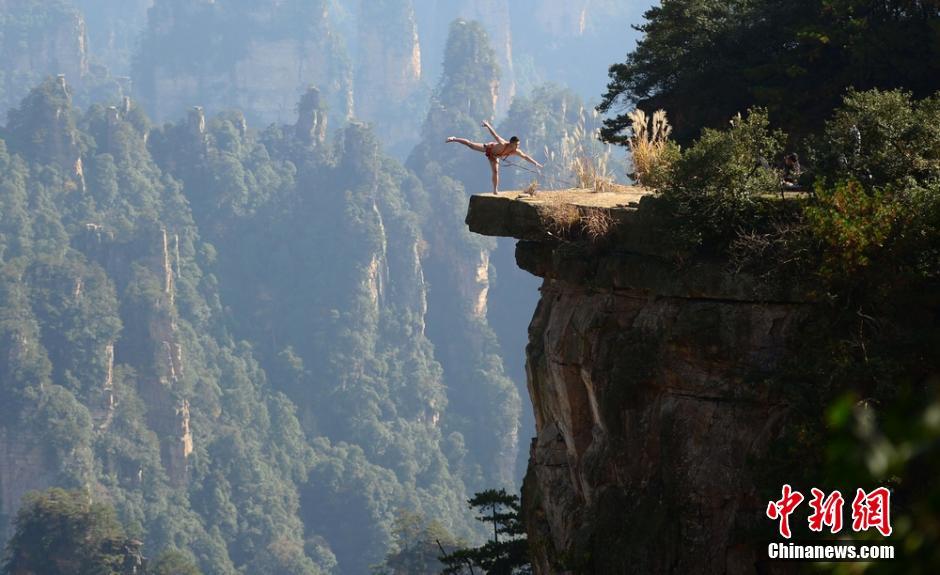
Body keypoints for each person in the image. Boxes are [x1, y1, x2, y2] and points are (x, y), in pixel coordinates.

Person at [446, 121, 543, 194]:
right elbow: (495, 134)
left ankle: (495, 190)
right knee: (471, 145)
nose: (518, 146)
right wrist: (488, 125)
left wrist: (535, 163)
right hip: (489, 148)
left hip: (494, 156)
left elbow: (525, 157)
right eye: (516, 144)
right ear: (511, 143)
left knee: (496, 172)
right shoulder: (502, 143)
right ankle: (454, 139)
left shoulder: (516, 151)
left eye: (518, 145)